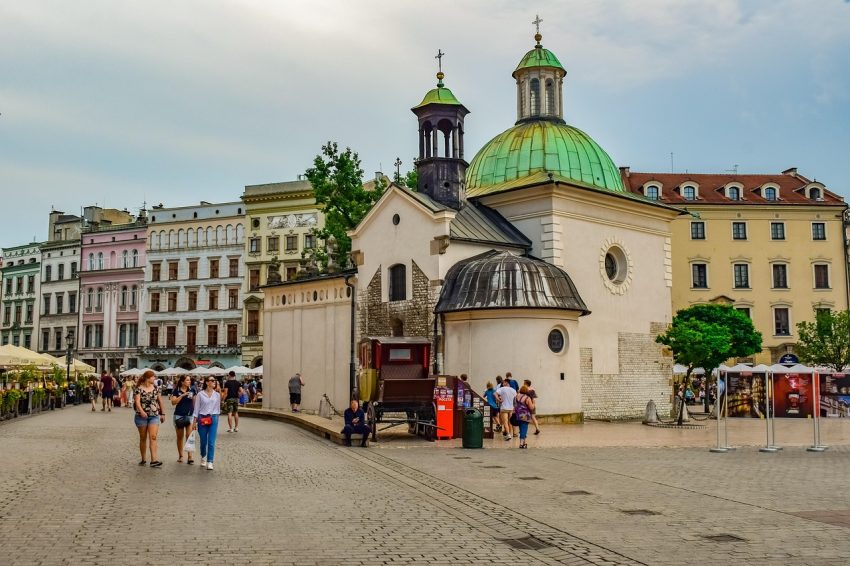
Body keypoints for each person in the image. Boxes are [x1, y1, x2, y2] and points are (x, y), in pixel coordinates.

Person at [134, 369, 165, 467]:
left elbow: (160, 401)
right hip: (141, 416)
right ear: (148, 378)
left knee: (153, 437)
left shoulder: (156, 388)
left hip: (154, 416)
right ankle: (143, 459)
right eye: (153, 377)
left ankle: (154, 460)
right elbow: (137, 402)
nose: (154, 378)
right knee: (143, 438)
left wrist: (163, 413)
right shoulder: (138, 388)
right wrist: (142, 411)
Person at [193, 376, 221, 470]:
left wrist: (216, 418)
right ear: (207, 382)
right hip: (202, 418)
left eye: (215, 381)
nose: (214, 382)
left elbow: (218, 408)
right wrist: (194, 421)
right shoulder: (200, 394)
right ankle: (203, 456)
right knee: (203, 441)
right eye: (212, 380)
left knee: (211, 442)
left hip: (213, 418)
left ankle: (210, 461)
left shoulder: (217, 395)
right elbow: (196, 408)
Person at [170, 374, 196, 464]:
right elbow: (173, 402)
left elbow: (195, 403)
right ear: (182, 382)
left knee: (189, 436)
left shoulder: (192, 390)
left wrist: (196, 415)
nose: (189, 382)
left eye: (189, 380)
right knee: (180, 437)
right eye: (187, 380)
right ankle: (181, 456)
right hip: (179, 416)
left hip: (189, 415)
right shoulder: (176, 391)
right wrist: (182, 395)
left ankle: (190, 456)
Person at [514, 385, 535, 449]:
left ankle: (524, 443)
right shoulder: (527, 398)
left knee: (522, 429)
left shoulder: (515, 397)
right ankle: (521, 444)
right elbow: (531, 408)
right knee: (524, 429)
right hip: (525, 416)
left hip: (517, 415)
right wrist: (533, 403)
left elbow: (514, 405)